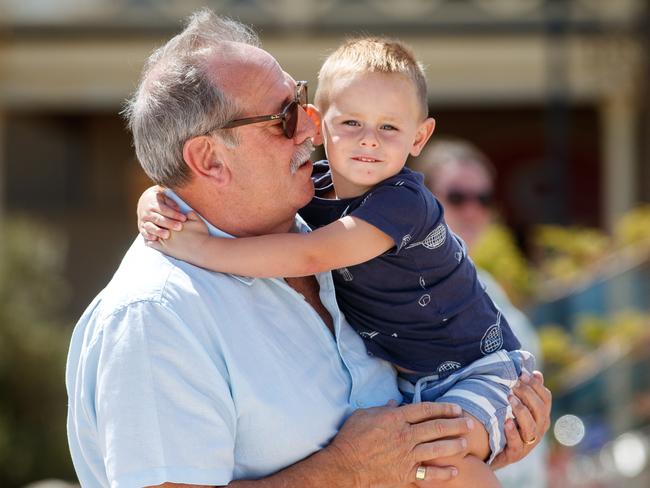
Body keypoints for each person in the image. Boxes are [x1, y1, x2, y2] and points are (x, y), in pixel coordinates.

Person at [66, 9, 551, 488]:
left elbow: (406, 455)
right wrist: (345, 473)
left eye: (300, 102)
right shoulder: (155, 316)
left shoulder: (328, 225)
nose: (310, 129)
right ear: (208, 159)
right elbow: (373, 465)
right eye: (283, 118)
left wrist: (487, 440)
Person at [411, 137, 547, 488]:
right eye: (457, 197)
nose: (472, 210)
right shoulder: (396, 287)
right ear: (425, 199)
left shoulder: (492, 290)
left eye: (483, 199)